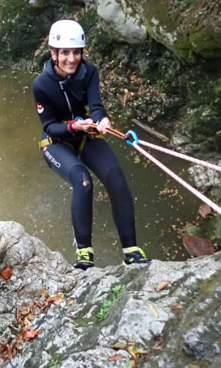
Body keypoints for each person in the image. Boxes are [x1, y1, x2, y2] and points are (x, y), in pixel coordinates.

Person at [32, 19, 149, 270]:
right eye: (65, 53)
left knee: (115, 176)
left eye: (76, 52)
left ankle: (131, 250)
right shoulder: (41, 85)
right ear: (53, 54)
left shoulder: (89, 72)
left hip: (85, 134)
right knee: (83, 181)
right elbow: (49, 125)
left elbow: (95, 105)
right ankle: (84, 253)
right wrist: (75, 126)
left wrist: (101, 119)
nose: (71, 59)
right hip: (56, 142)